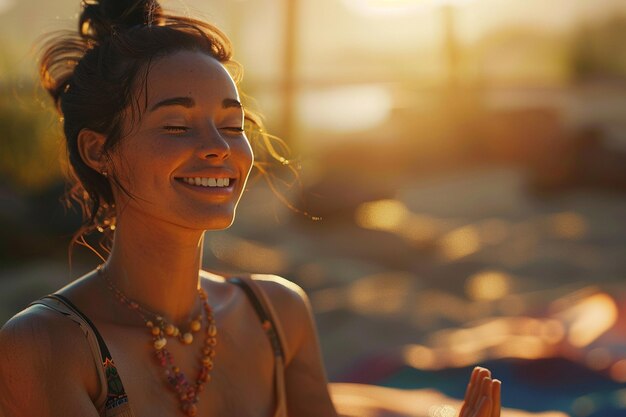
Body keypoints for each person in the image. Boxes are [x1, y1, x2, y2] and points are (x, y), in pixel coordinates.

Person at [0, 1, 501, 416]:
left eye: (233, 125)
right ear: (98, 150)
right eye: (177, 125)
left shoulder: (278, 315)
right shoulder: (48, 345)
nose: (219, 147)